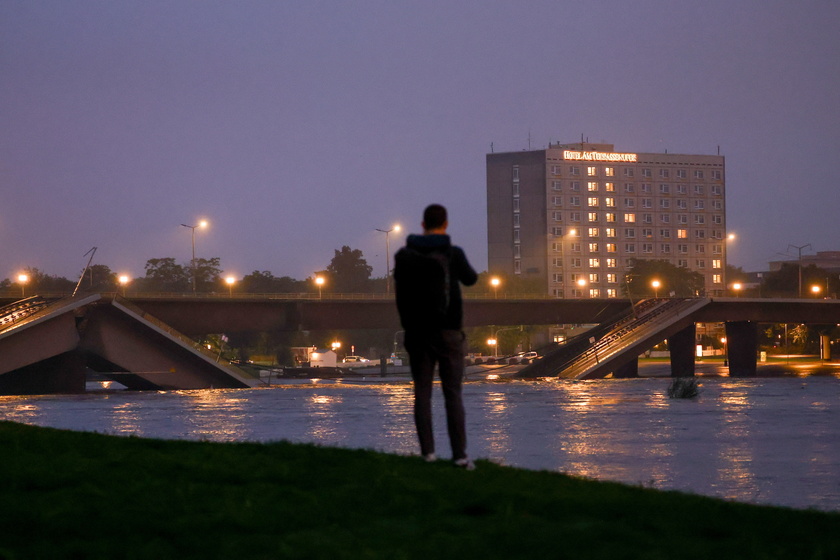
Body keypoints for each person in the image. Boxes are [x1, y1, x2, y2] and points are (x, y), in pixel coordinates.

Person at [394, 204, 478, 469]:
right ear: (445, 224)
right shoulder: (453, 253)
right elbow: (471, 279)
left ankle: (428, 454)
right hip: (449, 332)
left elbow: (400, 291)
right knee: (453, 394)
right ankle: (459, 457)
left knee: (422, 393)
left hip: (418, 333)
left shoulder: (403, 256)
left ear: (422, 224)